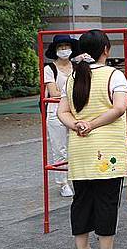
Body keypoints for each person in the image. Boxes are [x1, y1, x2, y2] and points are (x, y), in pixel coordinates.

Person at [57, 30, 127, 249]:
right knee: (106, 202)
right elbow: (119, 108)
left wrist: (77, 124)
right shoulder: (113, 74)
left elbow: (62, 112)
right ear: (105, 50)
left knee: (81, 200)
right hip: (108, 150)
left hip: (80, 149)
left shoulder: (73, 76)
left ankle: (82, 247)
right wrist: (92, 125)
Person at [43, 34, 78, 197]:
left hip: (74, 110)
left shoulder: (77, 67)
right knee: (60, 148)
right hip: (55, 111)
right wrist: (70, 93)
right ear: (55, 50)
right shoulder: (49, 69)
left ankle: (77, 178)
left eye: (67, 46)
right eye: (60, 47)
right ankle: (63, 182)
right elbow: (53, 92)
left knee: (77, 146)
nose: (64, 50)